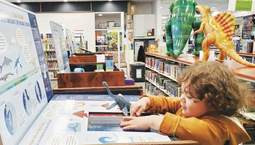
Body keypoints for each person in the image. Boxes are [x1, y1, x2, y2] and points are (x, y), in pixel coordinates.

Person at [120, 61, 251, 145]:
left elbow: (198, 130)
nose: (182, 98)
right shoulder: (194, 108)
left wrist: (153, 121)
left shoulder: (221, 127)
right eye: (182, 92)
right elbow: (171, 102)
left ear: (213, 103)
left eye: (188, 96)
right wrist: (148, 101)